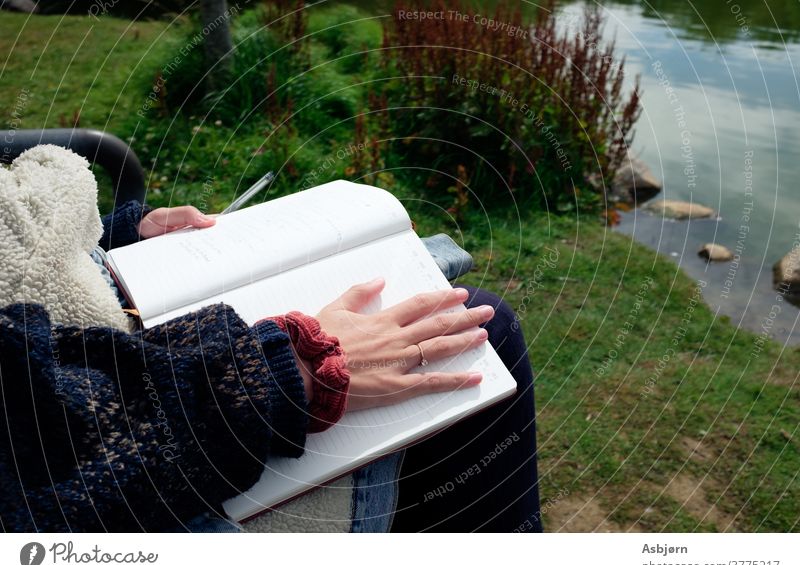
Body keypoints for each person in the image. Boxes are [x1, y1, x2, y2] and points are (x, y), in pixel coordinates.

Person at [0, 199, 541, 532]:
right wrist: (292, 370)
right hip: (182, 430)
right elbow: (41, 471)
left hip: (103, 306)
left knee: (439, 280)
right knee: (481, 330)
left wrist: (117, 242)